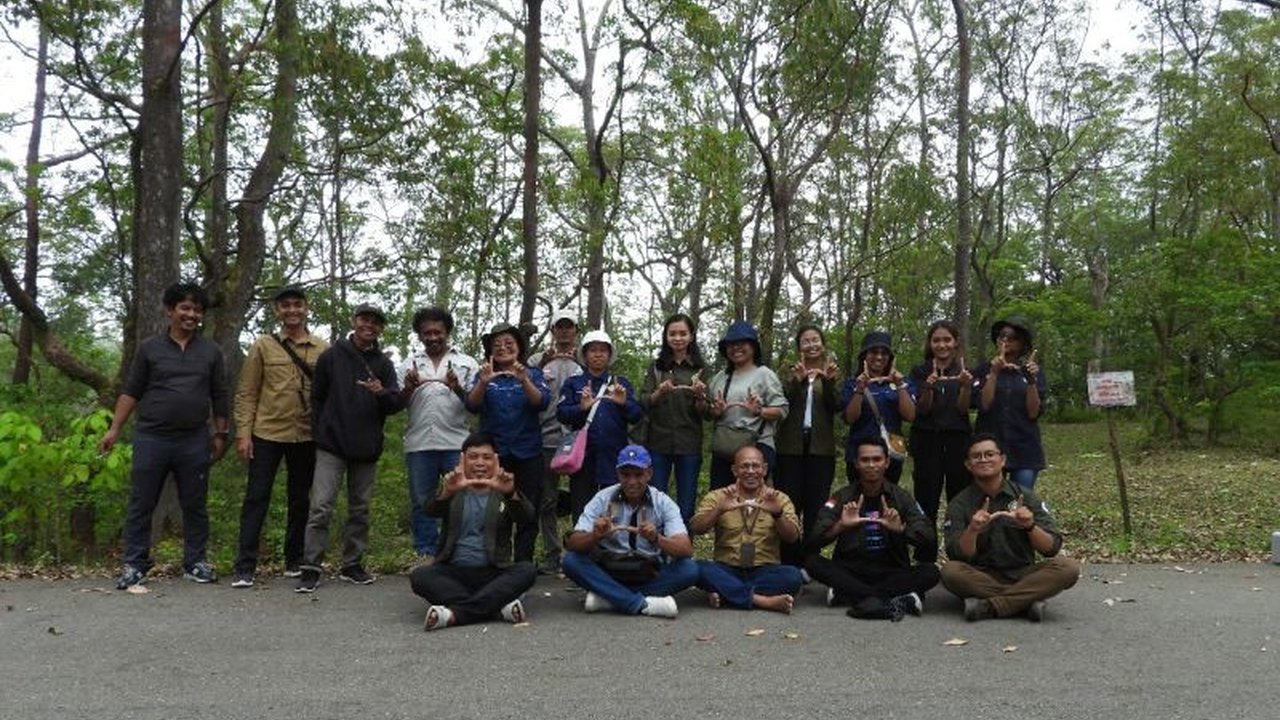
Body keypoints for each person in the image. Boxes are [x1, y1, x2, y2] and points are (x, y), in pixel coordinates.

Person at [100, 282, 230, 589]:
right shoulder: (149, 348)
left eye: (197, 309)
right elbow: (132, 391)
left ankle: (195, 562)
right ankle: (135, 564)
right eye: (185, 308)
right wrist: (114, 429)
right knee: (142, 502)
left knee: (195, 504)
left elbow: (219, 394)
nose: (191, 314)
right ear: (170, 310)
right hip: (152, 437)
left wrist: (221, 433)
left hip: (194, 439)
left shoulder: (211, 351)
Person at [296, 303, 404, 593]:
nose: (369, 325)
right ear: (354, 321)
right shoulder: (331, 356)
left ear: (381, 329)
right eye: (365, 319)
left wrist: (381, 393)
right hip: (331, 445)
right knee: (321, 507)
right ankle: (311, 566)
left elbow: (395, 404)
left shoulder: (384, 364)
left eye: (376, 322)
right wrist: (321, 431)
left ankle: (352, 564)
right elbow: (317, 397)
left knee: (360, 509)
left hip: (367, 446)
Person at [231, 285, 328, 588]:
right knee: (256, 498)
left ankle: (294, 560)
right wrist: (243, 434)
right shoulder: (263, 345)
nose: (292, 310)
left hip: (306, 435)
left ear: (306, 308)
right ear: (277, 311)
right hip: (267, 433)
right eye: (286, 306)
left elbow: (329, 394)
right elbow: (247, 392)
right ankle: (245, 566)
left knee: (300, 500)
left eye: (297, 304)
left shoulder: (322, 348)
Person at [941, 433, 1080, 622]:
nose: (984, 460)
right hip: (981, 575)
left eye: (990, 454)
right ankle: (1026, 600)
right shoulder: (959, 504)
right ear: (968, 465)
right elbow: (957, 555)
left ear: (1003, 460)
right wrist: (973, 529)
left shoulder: (1026, 496)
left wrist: (1030, 526)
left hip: (1024, 573)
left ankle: (990, 606)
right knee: (950, 572)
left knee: (1068, 567)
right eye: (977, 456)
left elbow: (1051, 548)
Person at [411, 433, 538, 631]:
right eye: (473, 457)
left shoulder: (503, 489)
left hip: (494, 571)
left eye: (486, 457)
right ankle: (496, 607)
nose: (480, 463)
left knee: (527, 571)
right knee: (420, 576)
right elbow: (429, 510)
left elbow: (527, 517)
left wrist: (510, 493)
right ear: (462, 460)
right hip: (453, 571)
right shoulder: (454, 487)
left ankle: (454, 614)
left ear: (496, 461)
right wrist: (447, 492)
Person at [804, 435, 939, 621]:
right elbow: (813, 538)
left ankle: (850, 595)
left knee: (931, 572)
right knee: (812, 562)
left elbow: (928, 536)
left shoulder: (901, 497)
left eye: (877, 459)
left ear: (887, 462)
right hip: (851, 569)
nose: (871, 465)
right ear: (856, 463)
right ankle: (893, 598)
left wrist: (901, 530)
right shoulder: (842, 496)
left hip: (891, 570)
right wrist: (841, 525)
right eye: (865, 460)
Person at [561, 445, 699, 618]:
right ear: (618, 474)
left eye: (638, 475)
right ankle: (639, 603)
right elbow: (573, 543)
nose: (632, 482)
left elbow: (686, 549)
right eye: (625, 475)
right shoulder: (602, 498)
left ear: (649, 474)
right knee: (571, 561)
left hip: (649, 571)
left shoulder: (663, 502)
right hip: (610, 570)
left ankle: (611, 597)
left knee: (689, 569)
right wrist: (595, 536)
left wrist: (656, 538)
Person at [465, 322, 551, 563]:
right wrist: (483, 382)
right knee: (497, 510)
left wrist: (524, 380)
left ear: (518, 347)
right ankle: (498, 560)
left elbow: (541, 402)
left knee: (528, 508)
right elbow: (471, 405)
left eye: (508, 343)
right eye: (497, 345)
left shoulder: (533, 373)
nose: (503, 347)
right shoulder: (484, 375)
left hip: (529, 452)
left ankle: (524, 562)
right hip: (496, 454)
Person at [399, 306, 479, 559]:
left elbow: (475, 404)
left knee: (461, 498)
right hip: (419, 443)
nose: (433, 337)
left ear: (447, 332)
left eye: (438, 332)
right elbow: (397, 404)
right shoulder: (408, 364)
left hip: (457, 442)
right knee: (422, 501)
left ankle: (459, 551)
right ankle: (426, 552)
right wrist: (408, 387)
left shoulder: (467, 363)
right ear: (420, 335)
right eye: (427, 333)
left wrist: (457, 388)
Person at [689, 446, 804, 613]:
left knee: (793, 576)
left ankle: (726, 593)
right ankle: (762, 600)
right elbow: (696, 528)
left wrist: (778, 514)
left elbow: (792, 537)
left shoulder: (779, 498)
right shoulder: (719, 496)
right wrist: (719, 510)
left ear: (764, 469)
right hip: (727, 568)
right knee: (697, 568)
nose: (750, 471)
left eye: (755, 466)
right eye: (744, 466)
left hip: (765, 569)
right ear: (734, 470)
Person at [556, 330, 643, 519]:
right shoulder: (573, 383)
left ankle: (613, 538)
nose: (598, 354)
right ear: (584, 355)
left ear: (609, 355)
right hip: (583, 458)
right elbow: (561, 414)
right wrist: (581, 408)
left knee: (614, 512)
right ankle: (582, 538)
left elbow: (636, 416)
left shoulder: (620, 383)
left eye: (603, 350)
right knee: (582, 511)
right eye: (593, 350)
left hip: (614, 459)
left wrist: (624, 403)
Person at [773, 324, 839, 565]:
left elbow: (837, 407)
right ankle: (788, 560)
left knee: (816, 505)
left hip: (821, 449)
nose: (812, 345)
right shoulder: (789, 371)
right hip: (789, 448)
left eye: (815, 340)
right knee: (789, 504)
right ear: (799, 346)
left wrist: (829, 382)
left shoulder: (832, 371)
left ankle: (811, 560)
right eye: (806, 341)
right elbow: (781, 403)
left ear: (823, 343)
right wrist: (798, 381)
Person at [527, 309, 583, 574]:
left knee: (582, 499)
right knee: (547, 500)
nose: (564, 331)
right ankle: (552, 555)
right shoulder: (536, 360)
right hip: (546, 439)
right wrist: (542, 363)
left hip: (577, 440)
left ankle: (580, 555)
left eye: (569, 326)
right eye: (559, 327)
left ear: (576, 331)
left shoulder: (585, 358)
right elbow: (524, 387)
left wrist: (580, 361)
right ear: (552, 330)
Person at [638, 313, 709, 522]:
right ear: (666, 336)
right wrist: (659, 392)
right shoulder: (656, 367)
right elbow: (643, 401)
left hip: (689, 444)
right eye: (673, 334)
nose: (678, 338)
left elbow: (707, 412)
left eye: (683, 333)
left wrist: (700, 396)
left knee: (686, 504)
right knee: (655, 500)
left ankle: (683, 541)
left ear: (691, 336)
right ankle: (656, 541)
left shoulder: (700, 369)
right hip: (657, 443)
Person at [706, 320, 787, 489]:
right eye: (731, 344)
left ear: (753, 347)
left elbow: (782, 410)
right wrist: (715, 411)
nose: (736, 348)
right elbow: (709, 412)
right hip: (725, 448)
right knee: (721, 497)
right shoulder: (719, 377)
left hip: (757, 446)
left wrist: (759, 411)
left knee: (754, 498)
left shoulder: (764, 375)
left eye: (742, 343)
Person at [907, 320, 973, 528]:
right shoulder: (919, 371)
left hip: (957, 441)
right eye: (936, 340)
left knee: (959, 498)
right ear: (930, 343)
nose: (942, 345)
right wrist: (928, 386)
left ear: (955, 342)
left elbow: (963, 409)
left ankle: (957, 544)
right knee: (926, 499)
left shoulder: (964, 370)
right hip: (927, 440)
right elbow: (922, 409)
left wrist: (966, 387)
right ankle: (925, 546)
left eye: (947, 340)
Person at [973, 317, 1047, 490]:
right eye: (1002, 336)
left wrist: (1031, 381)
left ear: (1022, 343)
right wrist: (994, 373)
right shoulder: (983, 370)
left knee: (1020, 498)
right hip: (989, 448)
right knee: (988, 498)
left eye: (1013, 338)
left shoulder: (1032, 372)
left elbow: (1033, 413)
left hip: (1024, 448)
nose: (1006, 340)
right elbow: (984, 405)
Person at [840, 331, 915, 486]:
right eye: (874, 352)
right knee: (857, 494)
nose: (879, 357)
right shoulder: (852, 384)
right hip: (859, 453)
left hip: (892, 452)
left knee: (889, 494)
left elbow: (910, 416)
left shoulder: (903, 382)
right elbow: (849, 419)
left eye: (884, 353)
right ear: (864, 356)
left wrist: (900, 385)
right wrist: (860, 389)